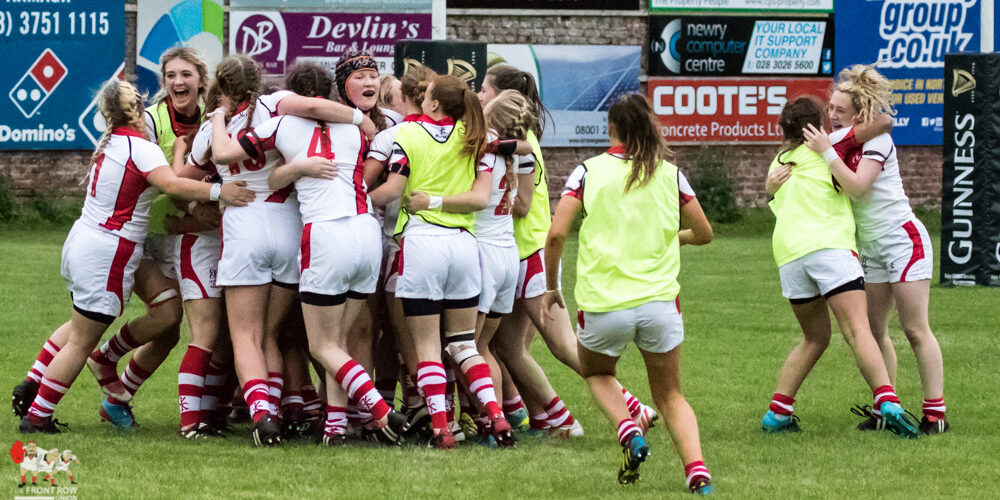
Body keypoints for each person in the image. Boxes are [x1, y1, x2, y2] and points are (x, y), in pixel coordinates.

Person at [18, 79, 253, 435]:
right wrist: (221, 190)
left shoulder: (110, 140)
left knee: (157, 311)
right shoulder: (139, 147)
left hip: (89, 239)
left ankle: (40, 380)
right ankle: (38, 414)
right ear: (137, 112)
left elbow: (168, 178)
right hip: (109, 248)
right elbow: (172, 185)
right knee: (83, 338)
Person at [176, 54, 373, 446]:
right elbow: (315, 107)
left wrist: (197, 141)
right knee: (271, 332)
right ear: (258, 82)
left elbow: (183, 180)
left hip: (244, 226)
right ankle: (286, 410)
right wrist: (359, 119)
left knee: (245, 336)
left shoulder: (215, 127)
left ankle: (263, 416)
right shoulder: (276, 105)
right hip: (288, 226)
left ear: (221, 87)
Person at [210, 61, 406, 447]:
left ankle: (379, 410)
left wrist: (218, 117)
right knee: (340, 341)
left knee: (323, 345)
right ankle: (335, 426)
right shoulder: (359, 126)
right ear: (332, 93)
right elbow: (279, 174)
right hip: (366, 231)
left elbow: (224, 154)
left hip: (325, 233)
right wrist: (298, 167)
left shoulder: (280, 123)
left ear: (291, 96)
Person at [542, 93, 712, 491]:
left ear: (611, 128)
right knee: (670, 394)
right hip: (659, 305)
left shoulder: (587, 171)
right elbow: (704, 233)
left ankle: (628, 431)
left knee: (597, 372)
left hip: (604, 305)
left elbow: (556, 234)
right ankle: (698, 472)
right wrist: (678, 239)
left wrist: (551, 287)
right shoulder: (670, 173)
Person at [480, 66, 655, 436]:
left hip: (531, 251)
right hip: (521, 252)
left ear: (501, 96)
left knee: (562, 344)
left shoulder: (518, 139)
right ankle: (556, 419)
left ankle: (632, 407)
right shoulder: (516, 135)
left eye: (484, 90)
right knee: (509, 347)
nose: (479, 96)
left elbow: (523, 204)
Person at [759, 96, 919, 440]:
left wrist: (768, 188)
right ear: (813, 125)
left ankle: (778, 412)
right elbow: (884, 124)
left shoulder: (778, 162)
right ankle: (888, 402)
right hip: (829, 247)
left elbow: (773, 195)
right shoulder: (828, 146)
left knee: (813, 338)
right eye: (825, 115)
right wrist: (831, 138)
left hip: (789, 255)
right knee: (858, 330)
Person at [368, 74, 514, 449]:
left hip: (422, 244)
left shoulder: (409, 134)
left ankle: (441, 429)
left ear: (432, 104)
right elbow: (486, 189)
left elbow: (395, 190)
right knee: (465, 343)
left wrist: (357, 198)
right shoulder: (474, 137)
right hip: (465, 246)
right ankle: (496, 418)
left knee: (428, 347)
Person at [803, 64, 948, 435]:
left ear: (858, 112)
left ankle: (936, 413)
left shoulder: (872, 141)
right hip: (871, 246)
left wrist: (826, 153)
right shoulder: (839, 141)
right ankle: (887, 406)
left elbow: (857, 187)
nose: (832, 115)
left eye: (840, 110)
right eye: (830, 108)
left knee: (915, 329)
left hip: (903, 240)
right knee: (873, 329)